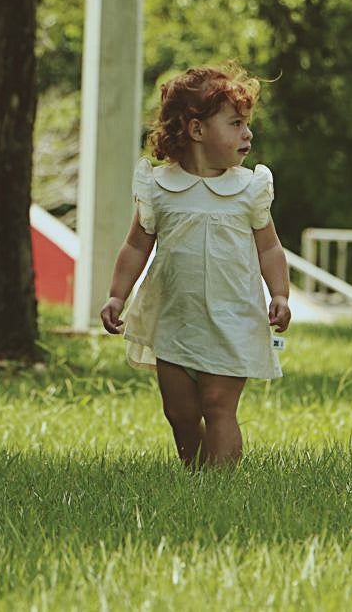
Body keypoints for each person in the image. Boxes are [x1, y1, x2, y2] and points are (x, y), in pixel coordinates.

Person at [99, 62, 291, 467]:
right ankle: (198, 477)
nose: (248, 133)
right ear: (197, 130)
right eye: (236, 123)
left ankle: (221, 485)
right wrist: (117, 295)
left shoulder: (248, 189)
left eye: (247, 124)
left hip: (232, 317)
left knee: (219, 404)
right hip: (175, 319)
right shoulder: (160, 188)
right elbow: (136, 245)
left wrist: (280, 294)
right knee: (180, 412)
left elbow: (270, 248)